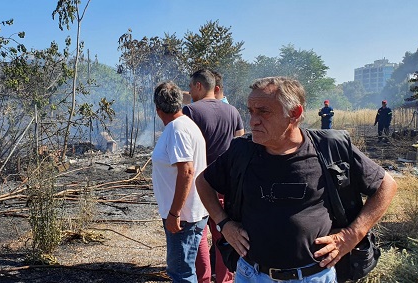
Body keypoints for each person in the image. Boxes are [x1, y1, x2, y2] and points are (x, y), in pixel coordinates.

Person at [196, 77, 397, 282]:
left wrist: (353, 234)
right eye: (251, 111)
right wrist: (224, 224)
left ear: (294, 113)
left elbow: (386, 185)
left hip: (314, 276)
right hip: (251, 274)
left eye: (263, 112)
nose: (253, 120)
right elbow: (202, 182)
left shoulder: (329, 148)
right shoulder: (242, 151)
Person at [183, 69, 244, 283]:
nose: (190, 91)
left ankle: (204, 279)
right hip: (227, 187)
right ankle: (225, 279)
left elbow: (186, 151)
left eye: (191, 87)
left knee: (198, 235)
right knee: (224, 234)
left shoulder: (190, 112)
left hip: (201, 185)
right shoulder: (233, 112)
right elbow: (240, 146)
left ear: (199, 86)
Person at [152, 81, 208, 283]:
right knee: (186, 268)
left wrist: (174, 213)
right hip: (186, 213)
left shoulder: (178, 130)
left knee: (181, 273)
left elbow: (187, 172)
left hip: (182, 216)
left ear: (158, 109)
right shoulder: (183, 125)